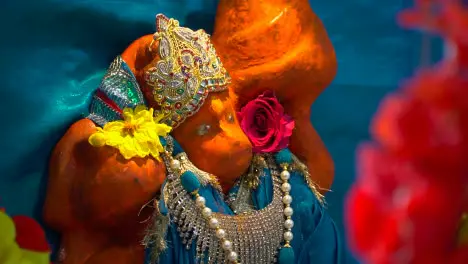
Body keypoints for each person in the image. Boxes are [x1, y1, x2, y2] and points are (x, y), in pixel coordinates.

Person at [43, 1, 340, 263]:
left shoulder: (281, 185)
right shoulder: (162, 211)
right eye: (206, 129)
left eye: (229, 117)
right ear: (170, 141)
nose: (233, 138)